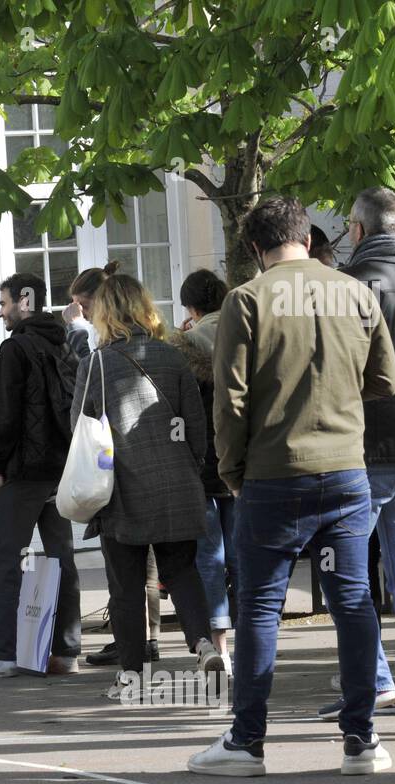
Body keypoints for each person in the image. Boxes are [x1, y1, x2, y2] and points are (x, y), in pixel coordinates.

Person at [189, 196, 395, 777]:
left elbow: (228, 402)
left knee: (258, 606)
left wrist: (232, 471)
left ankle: (247, 742)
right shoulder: (356, 291)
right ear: (307, 238)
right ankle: (361, 741)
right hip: (346, 470)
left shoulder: (247, 299)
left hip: (273, 472)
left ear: (256, 249)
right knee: (352, 602)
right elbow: (387, 378)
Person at [316, 186, 395, 720]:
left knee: (343, 567)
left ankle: (375, 682)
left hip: (360, 443)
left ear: (360, 230)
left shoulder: (347, 287)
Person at [72, 274, 220, 697]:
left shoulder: (95, 365)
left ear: (103, 314)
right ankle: (203, 643)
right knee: (182, 570)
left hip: (121, 488)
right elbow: (196, 426)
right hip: (176, 481)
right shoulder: (173, 357)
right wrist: (187, 468)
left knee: (125, 585)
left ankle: (132, 677)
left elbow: (80, 431)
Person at [0, 273, 82, 678]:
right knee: (61, 556)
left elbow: (6, 414)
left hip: (24, 469)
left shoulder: (15, 348)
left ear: (23, 302)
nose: (1, 310)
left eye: (6, 303)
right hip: (61, 467)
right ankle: (65, 650)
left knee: (2, 557)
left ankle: (1, 652)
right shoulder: (62, 342)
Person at [171, 268, 236, 670]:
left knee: (209, 556)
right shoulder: (243, 332)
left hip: (201, 463)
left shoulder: (185, 345)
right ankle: (255, 634)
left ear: (191, 307)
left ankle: (219, 642)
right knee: (244, 553)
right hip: (242, 462)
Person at [64, 264, 117, 356]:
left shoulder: (120, 340)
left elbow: (85, 368)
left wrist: (75, 328)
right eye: (77, 305)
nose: (81, 313)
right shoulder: (112, 337)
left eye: (84, 306)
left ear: (105, 302)